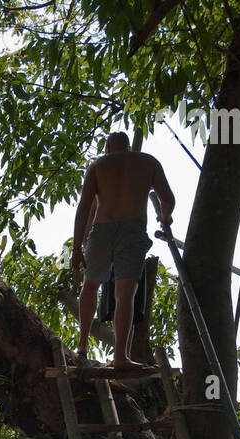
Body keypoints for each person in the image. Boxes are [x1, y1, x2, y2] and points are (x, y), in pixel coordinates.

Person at [72, 131, 175, 370]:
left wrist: (78, 247)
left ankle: (82, 347)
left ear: (108, 148)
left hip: (102, 229)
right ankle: (120, 356)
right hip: (133, 229)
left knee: (90, 285)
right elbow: (168, 199)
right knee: (125, 294)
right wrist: (164, 217)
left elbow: (85, 207)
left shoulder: (99, 165)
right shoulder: (148, 162)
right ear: (128, 147)